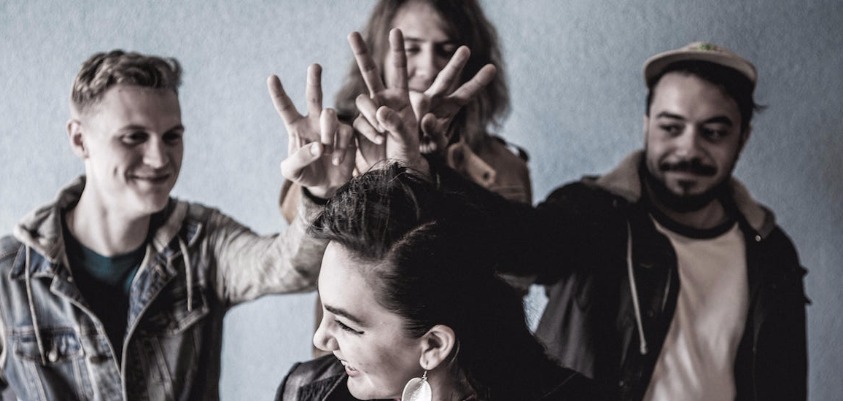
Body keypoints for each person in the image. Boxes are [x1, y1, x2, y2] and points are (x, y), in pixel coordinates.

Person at [0, 50, 353, 400]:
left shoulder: (202, 241)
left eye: (171, 137)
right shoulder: (6, 272)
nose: (159, 158)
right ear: (80, 139)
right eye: (134, 137)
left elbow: (292, 267)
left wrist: (322, 193)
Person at [450, 42, 808, 400]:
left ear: (743, 138)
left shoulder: (771, 254)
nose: (689, 149)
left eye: (713, 132)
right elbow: (517, 241)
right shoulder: (593, 214)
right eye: (671, 128)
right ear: (647, 126)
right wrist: (433, 175)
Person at [275, 163, 611, 401]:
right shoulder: (302, 390)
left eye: (347, 325)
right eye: (325, 311)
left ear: (434, 345)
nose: (320, 338)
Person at [279, 0, 531, 224]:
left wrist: (431, 168)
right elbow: (299, 258)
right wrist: (325, 193)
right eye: (411, 49)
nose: (427, 68)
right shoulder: (336, 150)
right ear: (380, 56)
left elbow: (517, 258)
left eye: (445, 51)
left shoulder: (505, 168)